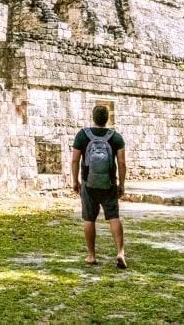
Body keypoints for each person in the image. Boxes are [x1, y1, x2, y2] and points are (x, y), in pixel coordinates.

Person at [71, 104, 127, 268]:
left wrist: (75, 181)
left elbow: (75, 160)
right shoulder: (116, 137)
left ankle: (91, 256)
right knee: (114, 217)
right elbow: (122, 163)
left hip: (89, 184)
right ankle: (120, 252)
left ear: (93, 117)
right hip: (108, 184)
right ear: (107, 118)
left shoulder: (82, 135)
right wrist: (121, 184)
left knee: (89, 219)